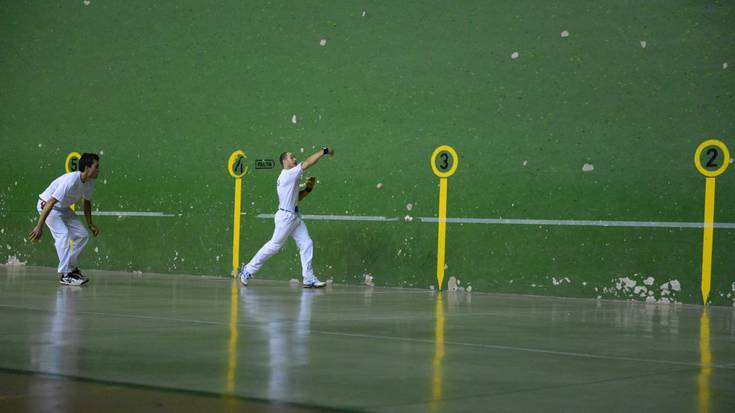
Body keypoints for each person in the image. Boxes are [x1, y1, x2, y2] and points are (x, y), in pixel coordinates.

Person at [239, 146, 335, 288]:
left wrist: (308, 189)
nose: (295, 159)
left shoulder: (291, 177)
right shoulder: (288, 174)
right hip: (286, 217)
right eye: (292, 157)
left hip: (294, 216)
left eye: (295, 157)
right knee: (274, 246)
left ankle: (309, 278)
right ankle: (247, 270)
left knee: (306, 243)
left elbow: (297, 198)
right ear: (285, 161)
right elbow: (308, 163)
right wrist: (324, 151)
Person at [29, 153, 101, 286]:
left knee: (82, 235)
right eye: (96, 167)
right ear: (87, 167)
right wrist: (39, 226)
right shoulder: (71, 181)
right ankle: (66, 275)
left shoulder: (89, 183)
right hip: (47, 205)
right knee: (63, 235)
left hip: (62, 207)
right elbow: (50, 202)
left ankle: (72, 268)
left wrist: (90, 224)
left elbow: (87, 203)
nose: (98, 170)